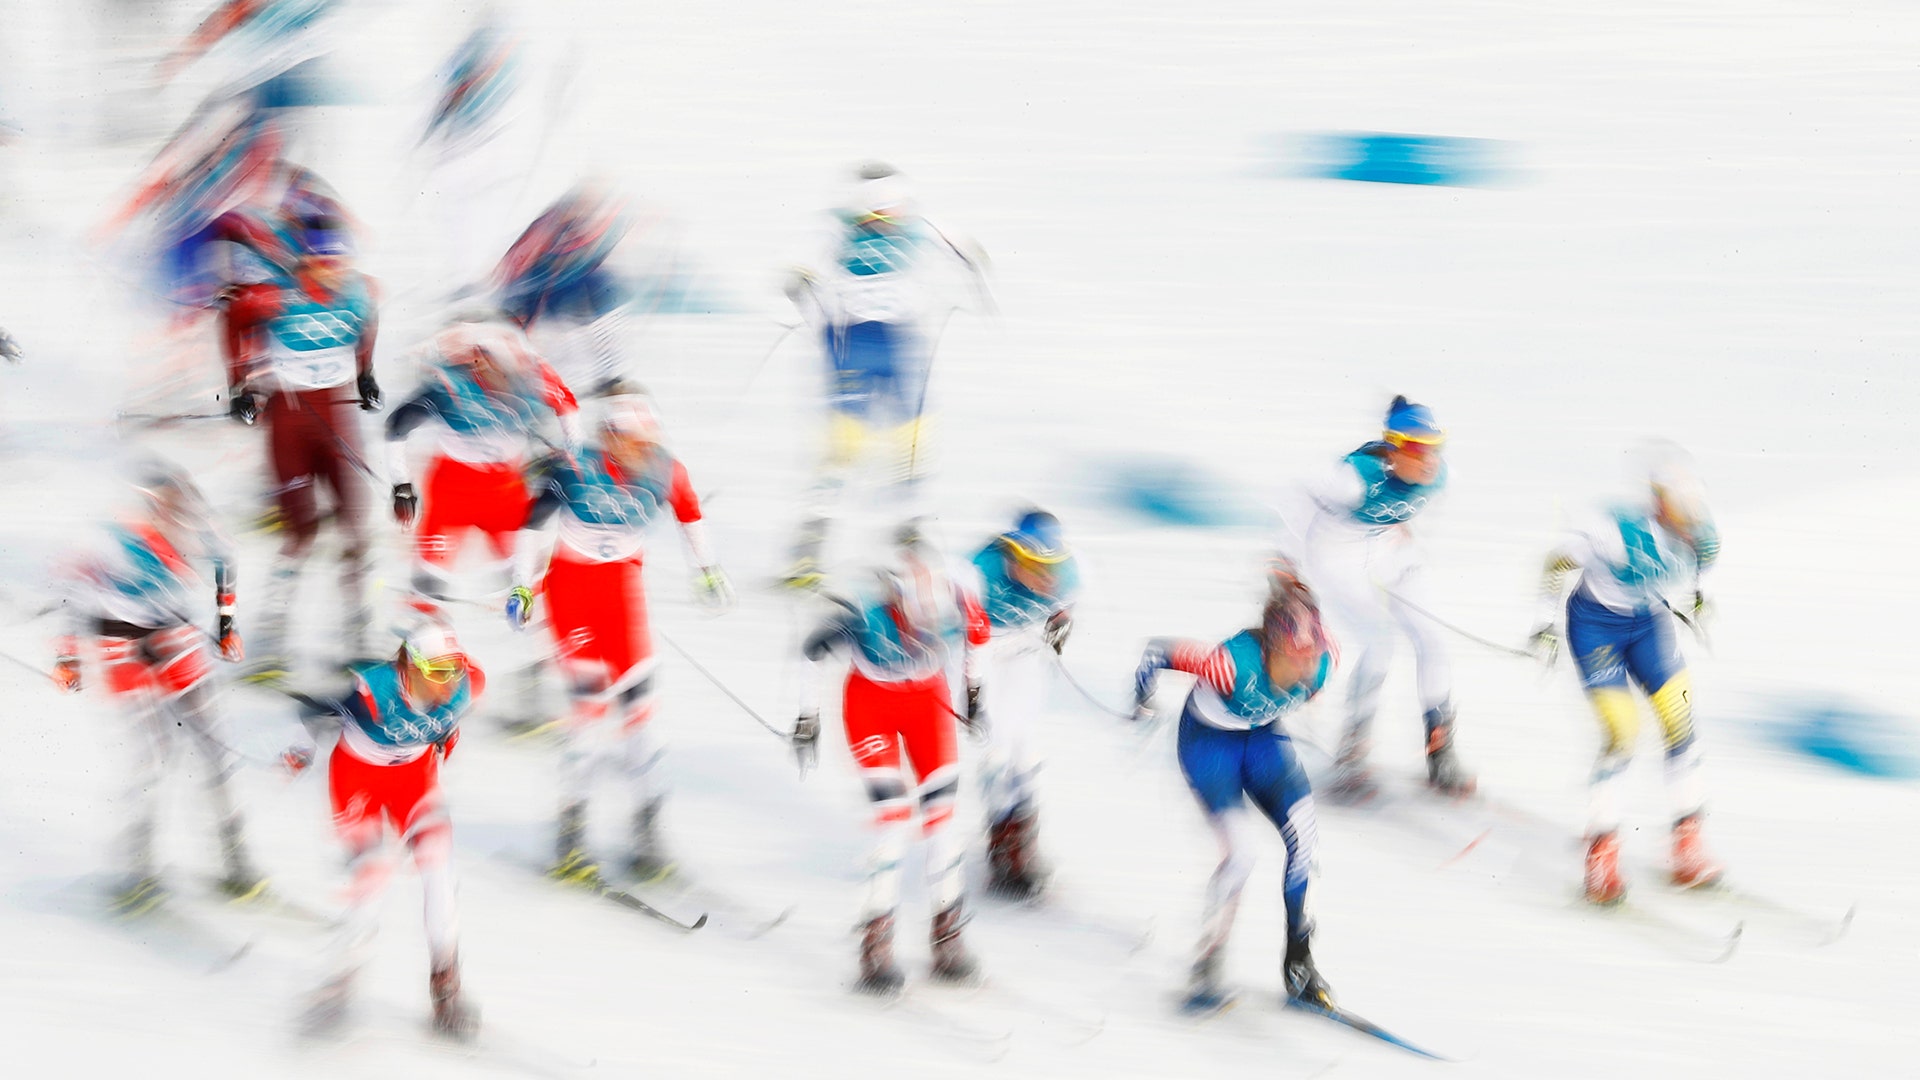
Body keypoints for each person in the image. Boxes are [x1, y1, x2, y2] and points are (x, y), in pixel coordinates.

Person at [506, 390, 732, 884]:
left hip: (620, 588)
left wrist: (708, 570)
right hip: (570, 587)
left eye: (647, 443)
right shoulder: (575, 468)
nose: (641, 453)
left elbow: (690, 513)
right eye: (632, 444)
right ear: (609, 439)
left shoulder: (664, 467)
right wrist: (521, 586)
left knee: (639, 713)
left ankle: (646, 831)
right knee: (589, 709)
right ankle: (570, 836)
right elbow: (530, 524)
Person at [789, 524, 990, 994]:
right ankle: (875, 942)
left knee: (942, 822)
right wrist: (807, 717)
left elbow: (979, 635)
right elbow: (812, 650)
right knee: (893, 820)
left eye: (934, 623)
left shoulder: (957, 594)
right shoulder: (862, 605)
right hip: (870, 704)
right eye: (918, 620)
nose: (927, 630)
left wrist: (975, 694)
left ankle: (947, 935)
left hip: (927, 704)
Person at [52, 462, 259, 912]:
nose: (171, 516)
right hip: (119, 639)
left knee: (212, 746)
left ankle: (233, 858)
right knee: (152, 754)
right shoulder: (115, 535)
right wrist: (68, 656)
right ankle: (140, 866)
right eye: (162, 508)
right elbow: (74, 589)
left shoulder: (197, 523)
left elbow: (227, 559)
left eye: (177, 507)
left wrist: (226, 624)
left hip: (172, 634)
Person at [1130, 561, 1335, 1013]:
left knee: (1307, 843)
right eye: (1294, 658)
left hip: (1262, 739)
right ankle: (1207, 964)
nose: (1304, 668)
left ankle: (1300, 960)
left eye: (1311, 656)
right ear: (1270, 649)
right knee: (1241, 853)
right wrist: (1141, 700)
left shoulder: (1323, 664)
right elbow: (1156, 652)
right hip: (1208, 747)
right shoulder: (1227, 663)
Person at [779, 163, 991, 589]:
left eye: (893, 209)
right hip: (851, 347)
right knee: (845, 448)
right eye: (877, 212)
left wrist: (974, 265)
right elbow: (800, 269)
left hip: (899, 345)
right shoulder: (836, 230)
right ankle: (811, 546)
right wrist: (801, 288)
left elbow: (960, 243)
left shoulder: (917, 226)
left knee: (912, 441)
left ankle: (908, 534)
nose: (886, 220)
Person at [1528, 443, 1723, 906]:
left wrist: (1699, 595)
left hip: (1647, 625)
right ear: (1659, 504)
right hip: (1595, 627)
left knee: (1681, 723)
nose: (1689, 525)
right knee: (1622, 735)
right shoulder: (1612, 528)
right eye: (1680, 514)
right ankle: (1602, 851)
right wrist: (1544, 622)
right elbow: (1557, 562)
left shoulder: (1703, 532)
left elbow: (1705, 563)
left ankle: (1687, 844)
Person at [294, 612, 484, 1039]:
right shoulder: (373, 690)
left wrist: (444, 738)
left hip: (413, 781)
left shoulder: (466, 685)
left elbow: (450, 724)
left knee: (439, 872)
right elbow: (312, 710)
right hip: (357, 780)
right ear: (410, 667)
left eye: (456, 668)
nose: (450, 680)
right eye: (439, 670)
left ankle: (445, 987)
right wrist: (300, 749)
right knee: (372, 879)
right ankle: (339, 984)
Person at [1286, 395, 1474, 800]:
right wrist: (1284, 563)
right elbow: (1298, 499)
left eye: (1435, 449)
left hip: (1386, 550)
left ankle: (1440, 751)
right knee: (1379, 643)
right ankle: (1352, 755)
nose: (1429, 460)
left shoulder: (1445, 477)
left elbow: (1416, 507)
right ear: (1392, 448)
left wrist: (1402, 527)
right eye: (1417, 449)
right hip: (1337, 558)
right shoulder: (1352, 478)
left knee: (1433, 638)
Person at [223, 213, 379, 678]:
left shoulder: (358, 291)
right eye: (322, 262)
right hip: (289, 420)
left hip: (335, 417)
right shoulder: (275, 294)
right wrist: (240, 387)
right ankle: (272, 638)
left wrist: (366, 373)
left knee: (356, 528)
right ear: (305, 262)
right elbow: (233, 320)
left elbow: (368, 323)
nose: (333, 272)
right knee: (302, 533)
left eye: (339, 261)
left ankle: (357, 639)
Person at [383, 311, 581, 603]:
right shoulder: (450, 386)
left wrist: (570, 456)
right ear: (479, 361)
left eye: (514, 373)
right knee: (430, 582)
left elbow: (568, 409)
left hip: (506, 487)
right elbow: (398, 425)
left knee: (527, 578)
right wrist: (401, 483)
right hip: (453, 486)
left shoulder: (536, 375)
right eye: (500, 372)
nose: (507, 382)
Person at [965, 508, 1078, 899]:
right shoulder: (977, 573)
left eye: (1053, 565)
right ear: (1011, 554)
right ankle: (1001, 847)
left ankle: (1022, 843)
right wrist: (971, 691)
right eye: (1033, 564)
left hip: (1024, 651)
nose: (1046, 576)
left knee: (1026, 753)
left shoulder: (1072, 573)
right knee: (996, 750)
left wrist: (1063, 617)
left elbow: (1072, 597)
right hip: (980, 655)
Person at [492, 183, 638, 396]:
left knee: (598, 295)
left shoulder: (598, 234)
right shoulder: (548, 225)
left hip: (574, 285)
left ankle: (609, 375)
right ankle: (532, 380)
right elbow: (521, 257)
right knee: (545, 331)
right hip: (543, 290)